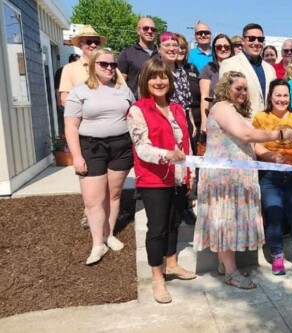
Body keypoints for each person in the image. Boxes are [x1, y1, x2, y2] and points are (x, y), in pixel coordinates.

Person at [193, 71, 292, 288]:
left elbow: (252, 144)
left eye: (244, 88)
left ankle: (225, 265)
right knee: (226, 222)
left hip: (236, 178)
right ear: (225, 88)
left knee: (228, 222)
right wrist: (280, 135)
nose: (242, 92)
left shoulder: (235, 111)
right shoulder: (222, 107)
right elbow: (246, 136)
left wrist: (273, 156)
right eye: (237, 88)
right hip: (225, 179)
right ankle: (231, 272)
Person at [127, 58, 196, 304]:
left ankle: (173, 263)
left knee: (174, 222)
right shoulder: (138, 109)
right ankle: (157, 276)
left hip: (178, 177)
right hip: (153, 179)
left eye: (164, 76)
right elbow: (142, 148)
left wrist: (189, 174)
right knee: (157, 228)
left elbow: (186, 143)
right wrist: (166, 155)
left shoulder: (177, 108)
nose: (159, 81)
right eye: (154, 77)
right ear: (146, 81)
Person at [64, 48, 134, 266]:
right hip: (92, 148)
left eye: (113, 65)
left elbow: (133, 116)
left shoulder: (124, 90)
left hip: (121, 146)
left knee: (113, 195)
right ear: (93, 66)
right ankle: (97, 244)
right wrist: (76, 156)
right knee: (93, 200)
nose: (109, 68)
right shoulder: (79, 92)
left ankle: (109, 234)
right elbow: (71, 126)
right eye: (104, 64)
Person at [252, 79, 292, 276]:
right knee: (274, 215)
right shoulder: (260, 118)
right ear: (270, 96)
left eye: (285, 95)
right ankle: (277, 256)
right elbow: (256, 145)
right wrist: (273, 157)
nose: (282, 99)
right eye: (278, 95)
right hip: (270, 174)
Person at [157, 31, 197, 225]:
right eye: (167, 46)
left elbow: (186, 101)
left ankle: (184, 207)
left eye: (175, 46)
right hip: (164, 123)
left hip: (183, 122)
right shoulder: (157, 70)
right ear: (159, 49)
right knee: (170, 165)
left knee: (185, 165)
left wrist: (192, 123)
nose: (172, 49)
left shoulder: (181, 70)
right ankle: (170, 210)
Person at [220, 23, 276, 118]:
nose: (256, 42)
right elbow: (226, 102)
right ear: (242, 41)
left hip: (267, 127)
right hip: (242, 126)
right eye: (251, 38)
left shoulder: (270, 69)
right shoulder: (229, 64)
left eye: (260, 39)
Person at [59, 25, 106, 107]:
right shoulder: (69, 69)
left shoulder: (109, 66)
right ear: (80, 44)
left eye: (97, 42)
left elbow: (120, 89)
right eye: (89, 42)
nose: (93, 45)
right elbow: (64, 99)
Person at [199, 33, 233, 134]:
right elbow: (204, 97)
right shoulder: (208, 69)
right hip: (213, 118)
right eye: (219, 47)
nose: (223, 49)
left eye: (226, 46)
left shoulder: (237, 67)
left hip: (234, 118)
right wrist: (204, 122)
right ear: (214, 49)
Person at [117, 17, 159, 98]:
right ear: (138, 30)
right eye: (146, 28)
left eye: (153, 29)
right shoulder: (127, 53)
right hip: (135, 103)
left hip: (158, 103)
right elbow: (120, 82)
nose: (150, 31)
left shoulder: (161, 54)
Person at [175, 33, 201, 149]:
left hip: (191, 119)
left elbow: (188, 99)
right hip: (173, 120)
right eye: (178, 47)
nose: (181, 50)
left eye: (183, 47)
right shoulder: (164, 69)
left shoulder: (191, 68)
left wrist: (193, 123)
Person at [54, 53, 80, 134]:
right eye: (77, 62)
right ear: (71, 61)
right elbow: (57, 87)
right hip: (66, 102)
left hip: (78, 101)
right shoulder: (62, 71)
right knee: (67, 123)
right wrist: (59, 101)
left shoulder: (79, 71)